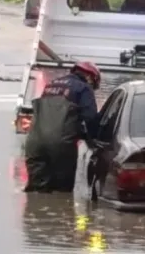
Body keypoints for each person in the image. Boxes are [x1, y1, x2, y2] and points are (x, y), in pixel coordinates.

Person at [24, 61, 102, 193]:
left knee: (36, 191)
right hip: (61, 146)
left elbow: (48, 115)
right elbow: (91, 119)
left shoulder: (51, 84)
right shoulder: (83, 88)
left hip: (35, 142)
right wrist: (94, 139)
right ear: (90, 77)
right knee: (61, 193)